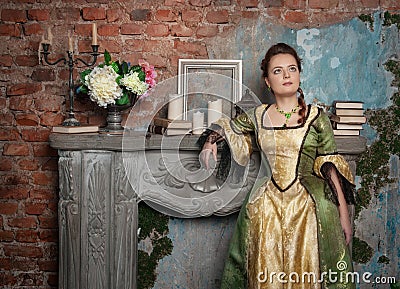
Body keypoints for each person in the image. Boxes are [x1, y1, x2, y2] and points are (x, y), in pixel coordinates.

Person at [200, 43, 356, 289]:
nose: (286, 75)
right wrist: (209, 142)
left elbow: (329, 165)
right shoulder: (258, 115)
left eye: (292, 69)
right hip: (266, 206)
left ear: (299, 75)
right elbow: (229, 127)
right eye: (278, 71)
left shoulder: (316, 116)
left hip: (307, 208)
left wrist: (343, 215)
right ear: (267, 81)